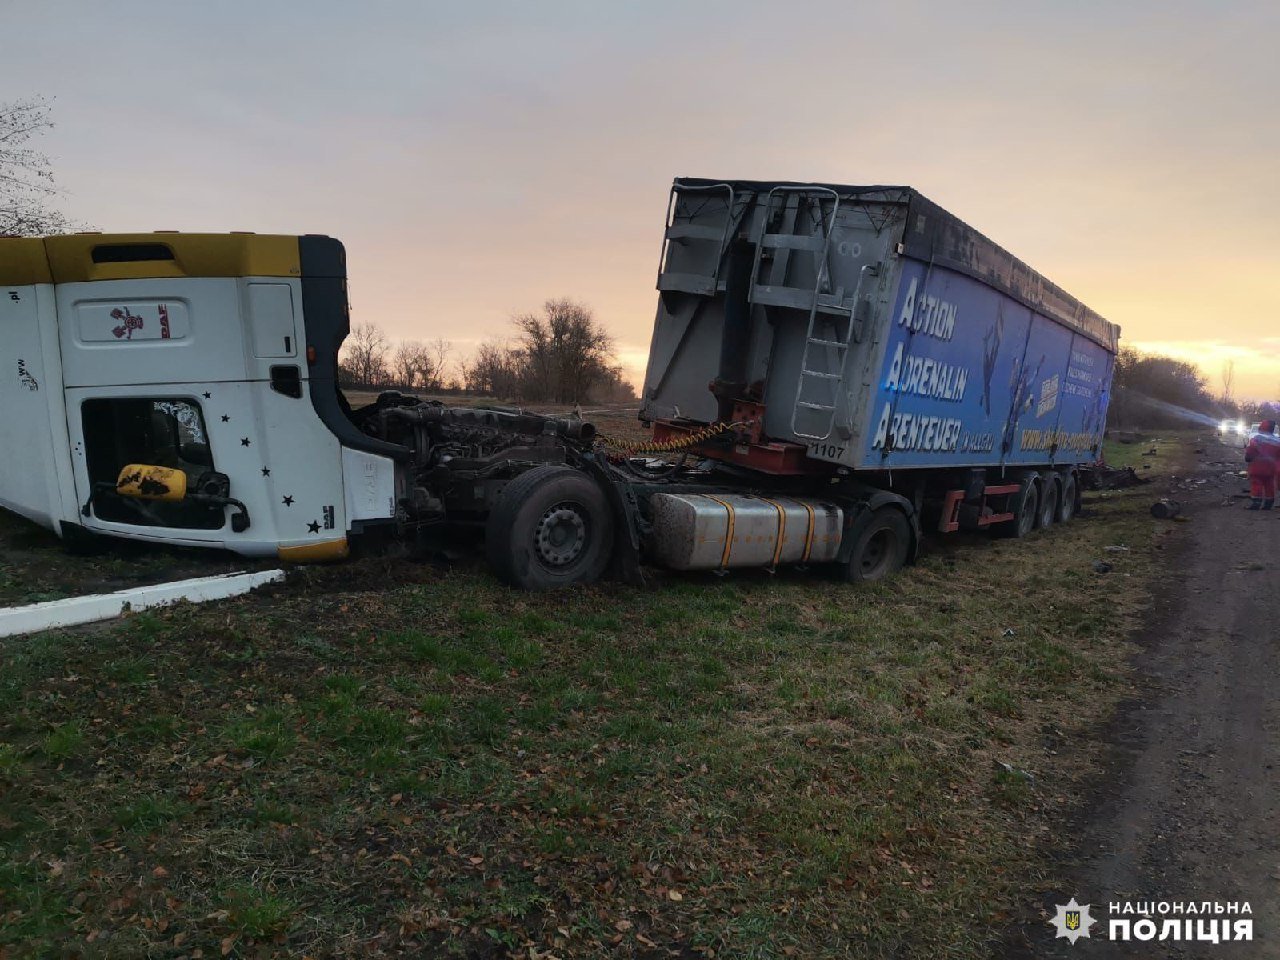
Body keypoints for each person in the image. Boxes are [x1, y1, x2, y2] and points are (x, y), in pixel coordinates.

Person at [1244, 419, 1280, 510]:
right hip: (1271, 468)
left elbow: (1250, 450)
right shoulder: (1277, 441)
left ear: (1261, 427)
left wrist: (1248, 457)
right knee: (1269, 484)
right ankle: (1269, 503)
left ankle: (1256, 502)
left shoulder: (1256, 438)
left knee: (1256, 483)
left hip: (1257, 467)